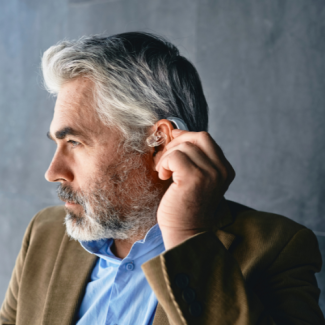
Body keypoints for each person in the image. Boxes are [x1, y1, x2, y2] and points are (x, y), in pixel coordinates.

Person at [1, 32, 324, 325]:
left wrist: (187, 235)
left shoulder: (278, 249)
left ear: (160, 140)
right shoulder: (44, 234)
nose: (52, 171)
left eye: (74, 142)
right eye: (57, 143)